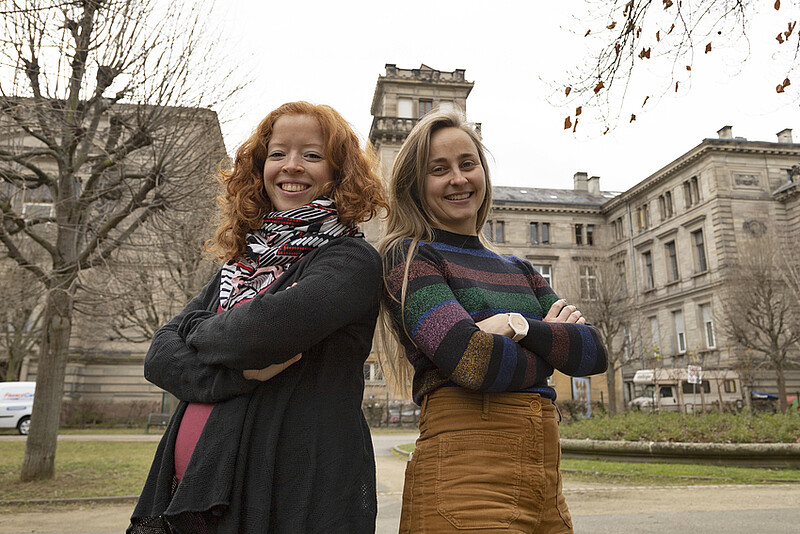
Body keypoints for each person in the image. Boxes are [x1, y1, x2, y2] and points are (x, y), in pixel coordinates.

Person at [129, 101, 387, 534]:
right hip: (198, 492)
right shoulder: (243, 264)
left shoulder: (351, 259)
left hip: (294, 493)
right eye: (278, 153)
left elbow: (258, 335)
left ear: (338, 171)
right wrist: (237, 376)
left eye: (311, 154)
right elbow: (158, 356)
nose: (292, 165)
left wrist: (194, 328)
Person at [378, 110, 608, 533]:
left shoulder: (519, 268)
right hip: (466, 481)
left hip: (546, 483)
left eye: (468, 164)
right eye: (438, 169)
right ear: (415, 185)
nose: (458, 179)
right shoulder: (409, 257)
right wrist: (551, 344)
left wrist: (518, 327)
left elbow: (593, 353)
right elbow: (474, 362)